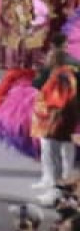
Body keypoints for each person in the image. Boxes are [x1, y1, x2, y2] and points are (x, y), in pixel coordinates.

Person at [33, 31, 79, 198]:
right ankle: (63, 181)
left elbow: (38, 85)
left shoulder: (54, 68)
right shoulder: (75, 64)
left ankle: (53, 183)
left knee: (50, 147)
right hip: (72, 111)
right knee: (66, 147)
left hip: (54, 114)